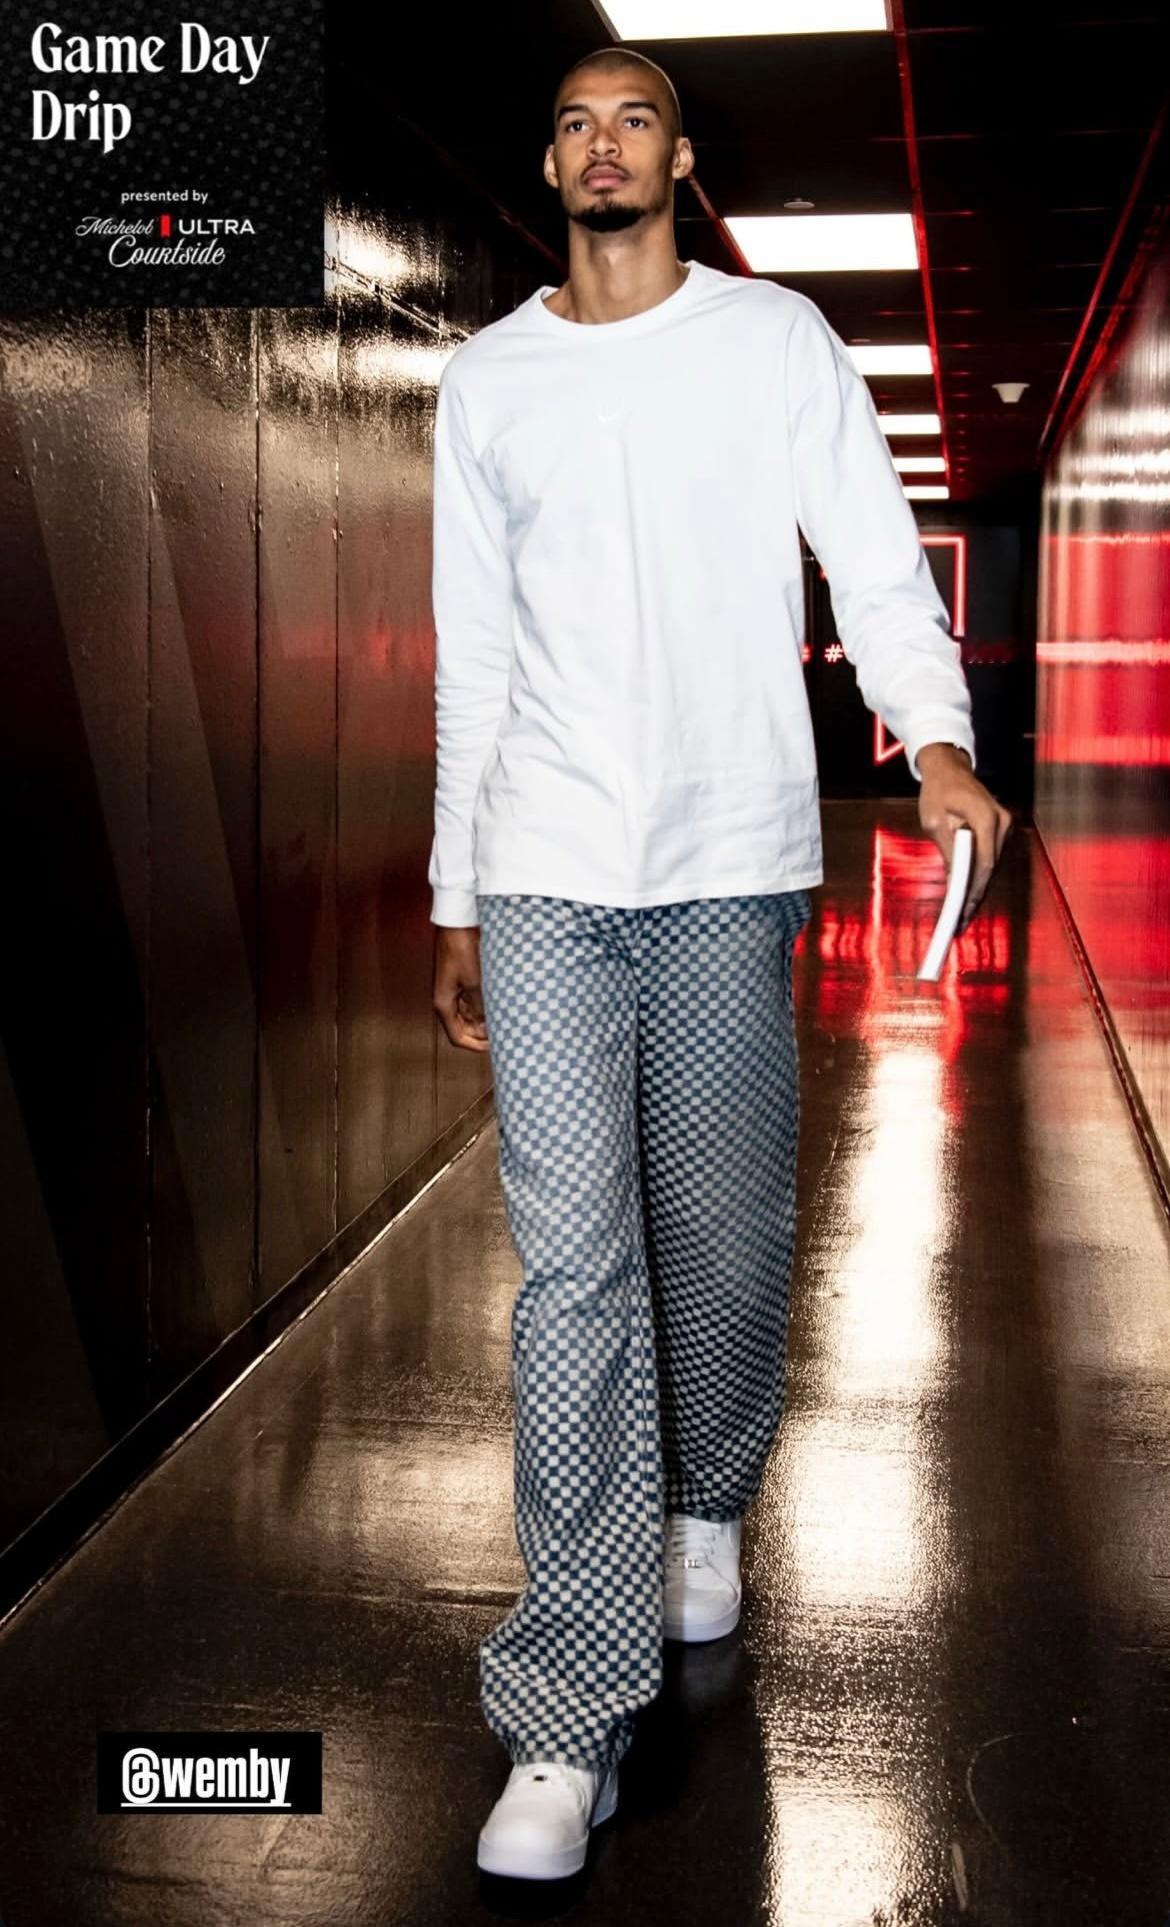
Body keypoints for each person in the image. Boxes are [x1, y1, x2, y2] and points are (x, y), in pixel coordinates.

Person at [427, 44, 1013, 1883]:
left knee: (724, 1228)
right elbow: (471, 659)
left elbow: (873, 562)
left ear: (680, 159)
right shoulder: (488, 379)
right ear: (550, 164)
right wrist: (455, 893)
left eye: (635, 119)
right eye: (573, 120)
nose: (602, 144)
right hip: (543, 866)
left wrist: (935, 746)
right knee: (575, 1272)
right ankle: (565, 1712)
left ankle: (702, 1499)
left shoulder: (772, 345)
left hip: (728, 861)